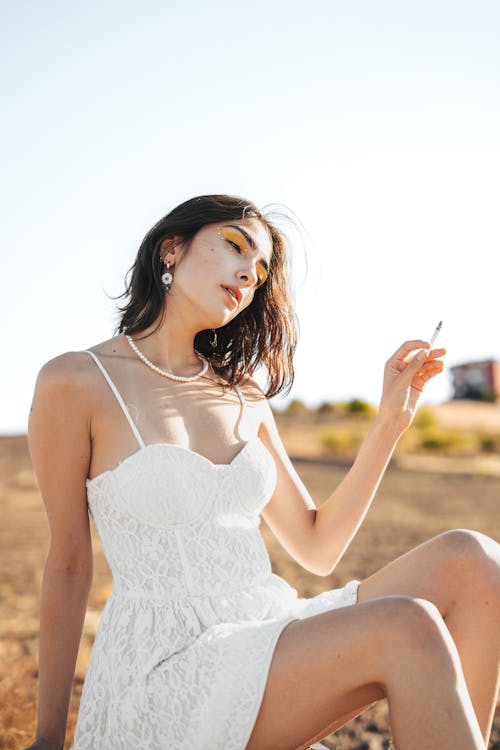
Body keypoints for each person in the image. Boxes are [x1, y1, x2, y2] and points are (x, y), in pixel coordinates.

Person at [25, 194, 498, 750]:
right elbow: (69, 564)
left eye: (261, 269)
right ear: (171, 249)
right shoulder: (77, 381)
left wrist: (389, 422)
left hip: (264, 629)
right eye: (233, 246)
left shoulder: (245, 396)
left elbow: (317, 548)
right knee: (409, 625)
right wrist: (48, 739)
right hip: (167, 665)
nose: (249, 272)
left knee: (475, 561)